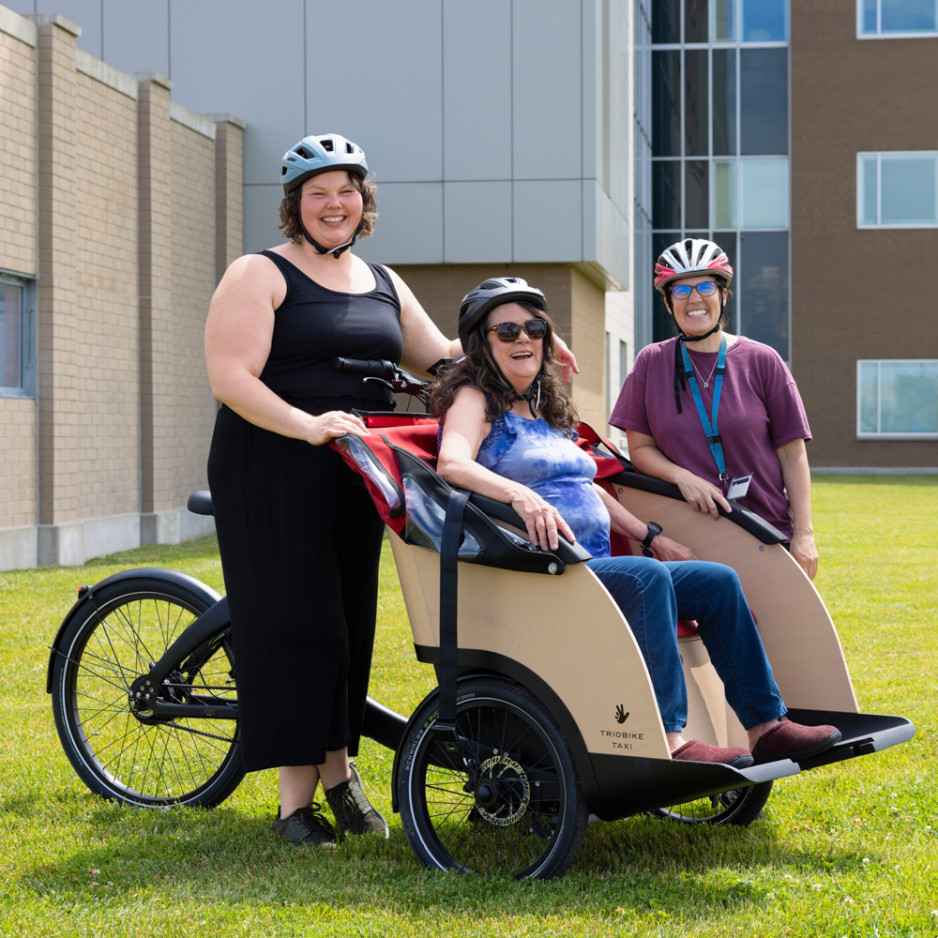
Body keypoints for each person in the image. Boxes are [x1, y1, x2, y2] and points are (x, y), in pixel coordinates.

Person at [205, 135, 578, 848]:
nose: (333, 203)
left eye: (346, 190)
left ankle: (342, 782)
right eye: (318, 192)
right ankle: (295, 805)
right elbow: (231, 377)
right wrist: (307, 423)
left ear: (363, 201)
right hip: (273, 464)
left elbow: (444, 357)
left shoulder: (383, 282)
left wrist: (521, 342)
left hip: (358, 469)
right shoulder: (259, 274)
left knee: (348, 625)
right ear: (295, 205)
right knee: (299, 626)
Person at [431, 276, 840, 766]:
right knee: (645, 578)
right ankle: (669, 740)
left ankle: (766, 726)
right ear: (481, 342)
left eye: (535, 327)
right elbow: (452, 464)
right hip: (542, 572)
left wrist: (650, 536)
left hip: (593, 568)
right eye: (507, 331)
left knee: (716, 581)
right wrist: (520, 495)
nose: (523, 338)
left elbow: (588, 490)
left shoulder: (546, 407)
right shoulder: (476, 400)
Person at [609, 239, 819, 579]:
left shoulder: (762, 360)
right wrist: (683, 477)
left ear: (723, 295)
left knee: (778, 631)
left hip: (766, 529)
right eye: (681, 290)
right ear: (668, 303)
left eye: (706, 286)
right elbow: (640, 449)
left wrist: (805, 535)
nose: (694, 299)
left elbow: (792, 455)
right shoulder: (651, 362)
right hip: (692, 538)